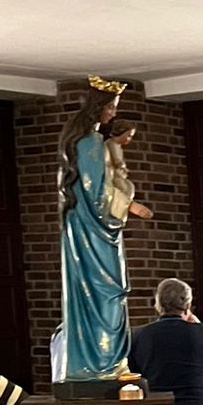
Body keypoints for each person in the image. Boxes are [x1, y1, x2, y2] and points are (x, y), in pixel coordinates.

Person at [58, 77, 151, 381]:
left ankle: (105, 363)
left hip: (87, 227)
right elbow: (96, 193)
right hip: (93, 228)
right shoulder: (91, 143)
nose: (113, 113)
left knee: (102, 292)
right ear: (96, 107)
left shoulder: (85, 142)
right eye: (110, 107)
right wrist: (130, 206)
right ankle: (102, 363)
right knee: (108, 289)